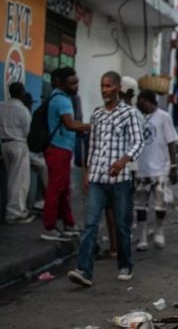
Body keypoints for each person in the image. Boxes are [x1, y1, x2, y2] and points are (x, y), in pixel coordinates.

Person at [67, 71, 144, 287]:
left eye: (109, 86)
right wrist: (86, 173)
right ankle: (84, 271)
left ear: (118, 87)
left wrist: (123, 161)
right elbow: (91, 146)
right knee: (90, 224)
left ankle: (125, 264)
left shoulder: (130, 113)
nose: (104, 90)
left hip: (120, 181)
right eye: (102, 86)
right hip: (97, 180)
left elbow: (138, 142)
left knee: (121, 226)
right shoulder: (97, 115)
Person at [42, 67, 91, 241]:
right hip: (58, 149)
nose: (76, 86)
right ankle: (49, 227)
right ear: (60, 83)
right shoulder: (61, 100)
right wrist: (91, 126)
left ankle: (69, 223)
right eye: (72, 83)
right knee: (56, 189)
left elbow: (70, 124)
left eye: (76, 81)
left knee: (63, 189)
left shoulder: (63, 97)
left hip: (63, 148)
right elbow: (70, 124)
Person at [134, 90, 178, 251]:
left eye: (139, 101)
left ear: (147, 101)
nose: (137, 104)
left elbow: (171, 142)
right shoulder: (137, 117)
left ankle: (159, 230)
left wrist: (173, 167)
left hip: (161, 168)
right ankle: (143, 237)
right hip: (141, 168)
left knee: (160, 204)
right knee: (140, 205)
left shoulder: (164, 117)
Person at [0, 82, 34, 224]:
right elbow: (28, 132)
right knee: (19, 181)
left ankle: (16, 209)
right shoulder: (23, 110)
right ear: (21, 93)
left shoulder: (1, 106)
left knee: (11, 180)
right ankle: (15, 213)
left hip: (4, 144)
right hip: (19, 144)